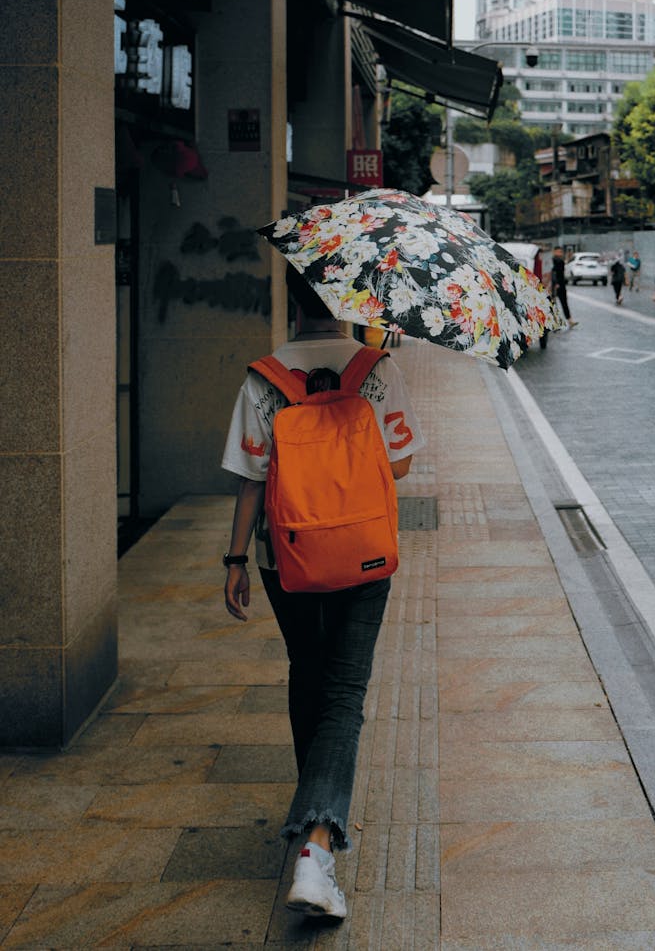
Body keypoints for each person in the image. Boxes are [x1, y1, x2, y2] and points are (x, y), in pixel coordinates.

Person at [221, 264, 425, 920]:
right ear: (345, 303)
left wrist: (234, 560)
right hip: (364, 556)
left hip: (287, 557)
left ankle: (317, 805)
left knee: (308, 672)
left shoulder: (263, 375)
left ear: (292, 300)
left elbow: (251, 477)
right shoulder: (377, 369)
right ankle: (316, 842)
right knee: (344, 694)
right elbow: (399, 462)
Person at [550, 246, 578, 327]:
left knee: (563, 303)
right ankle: (555, 322)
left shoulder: (559, 260)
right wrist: (556, 284)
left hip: (561, 285)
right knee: (553, 304)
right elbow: (554, 274)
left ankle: (569, 320)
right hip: (556, 285)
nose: (559, 253)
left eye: (560, 252)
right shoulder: (554, 261)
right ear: (554, 252)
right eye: (558, 251)